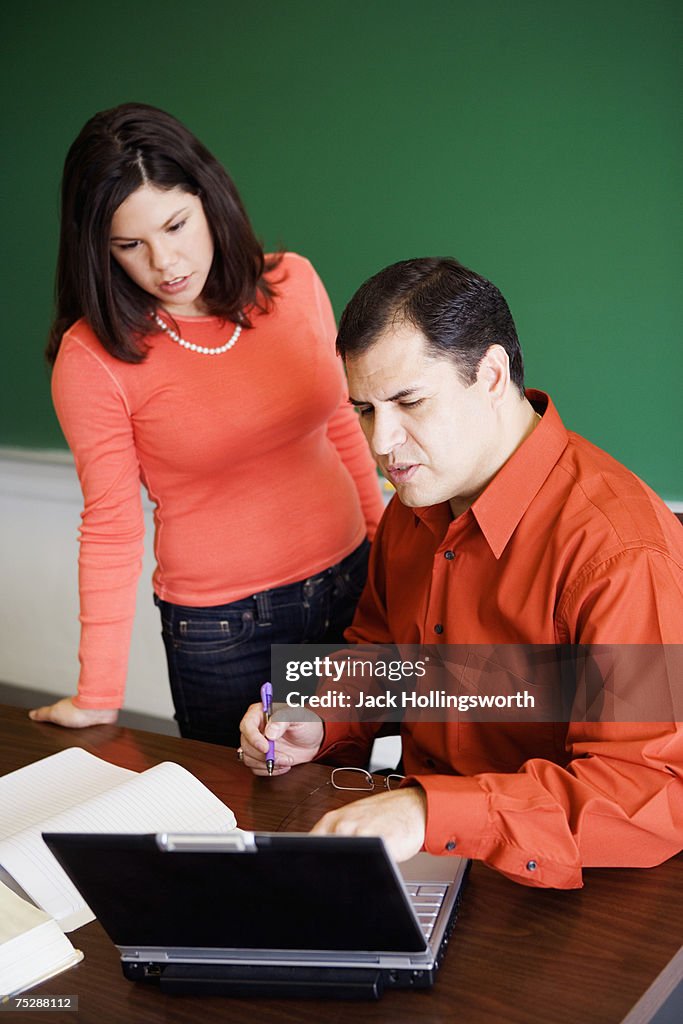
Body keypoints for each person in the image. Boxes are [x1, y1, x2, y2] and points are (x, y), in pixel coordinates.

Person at [240, 256, 683, 888]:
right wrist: (314, 717)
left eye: (409, 402)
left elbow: (648, 790)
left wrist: (427, 810)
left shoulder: (622, 551)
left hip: (568, 886)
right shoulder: (414, 502)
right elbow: (383, 654)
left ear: (492, 374)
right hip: (426, 849)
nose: (380, 444)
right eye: (364, 410)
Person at [29, 103, 384, 748]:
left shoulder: (294, 282)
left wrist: (387, 555)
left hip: (351, 584)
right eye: (129, 245)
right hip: (225, 630)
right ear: (99, 250)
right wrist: (99, 695)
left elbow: (339, 423)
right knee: (245, 814)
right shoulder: (92, 358)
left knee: (344, 794)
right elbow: (110, 526)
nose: (164, 262)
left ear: (208, 198)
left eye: (175, 224)